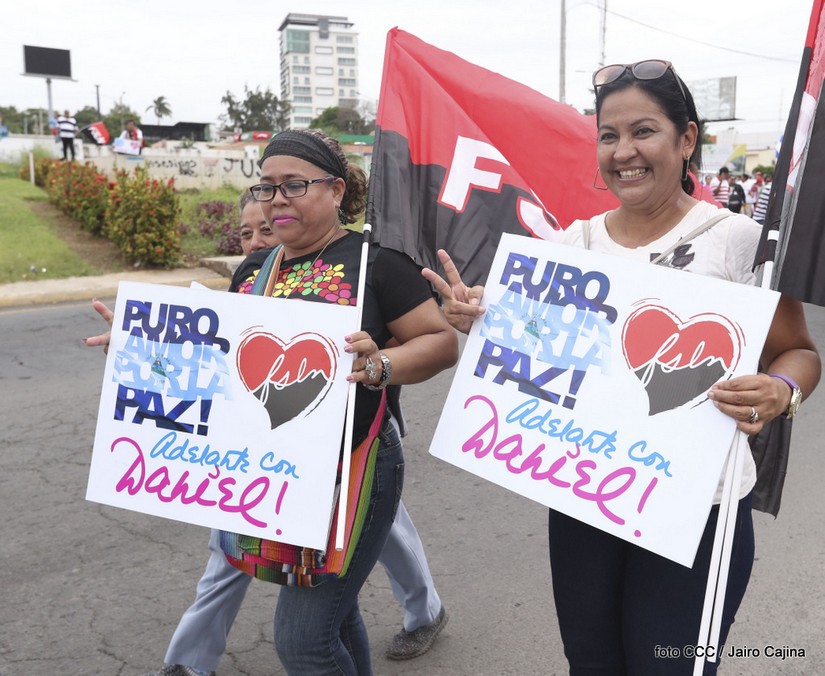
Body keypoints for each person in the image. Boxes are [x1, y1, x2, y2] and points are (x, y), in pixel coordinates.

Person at [422, 59, 820, 675]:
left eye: (644, 131)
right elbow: (538, 354)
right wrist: (483, 319)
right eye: (608, 135)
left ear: (686, 140)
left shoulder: (738, 241)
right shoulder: (571, 246)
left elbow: (799, 352)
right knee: (591, 661)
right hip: (587, 500)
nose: (623, 151)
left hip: (701, 513)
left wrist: (780, 389)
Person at [85, 131, 458, 676]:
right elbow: (225, 359)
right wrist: (143, 350)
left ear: (336, 190)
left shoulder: (376, 262)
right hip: (279, 471)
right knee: (335, 620)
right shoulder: (255, 270)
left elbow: (441, 342)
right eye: (266, 187)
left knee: (303, 642)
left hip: (355, 470)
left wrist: (380, 364)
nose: (276, 199)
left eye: (294, 185)